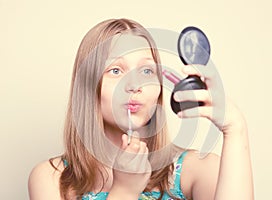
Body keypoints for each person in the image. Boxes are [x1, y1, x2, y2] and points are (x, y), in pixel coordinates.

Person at [28, 18, 254, 200]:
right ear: (88, 87)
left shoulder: (195, 170)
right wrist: (124, 191)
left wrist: (236, 129)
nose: (135, 85)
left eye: (146, 71)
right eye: (115, 70)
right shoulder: (51, 178)